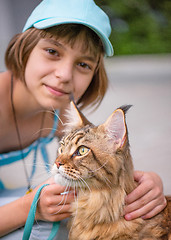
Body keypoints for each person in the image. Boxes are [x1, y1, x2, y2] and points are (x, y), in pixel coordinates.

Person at [0, 0, 166, 239]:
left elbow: (101, 155)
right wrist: (31, 207)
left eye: (83, 64)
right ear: (23, 47)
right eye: (52, 52)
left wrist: (149, 183)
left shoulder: (59, 110)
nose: (64, 75)